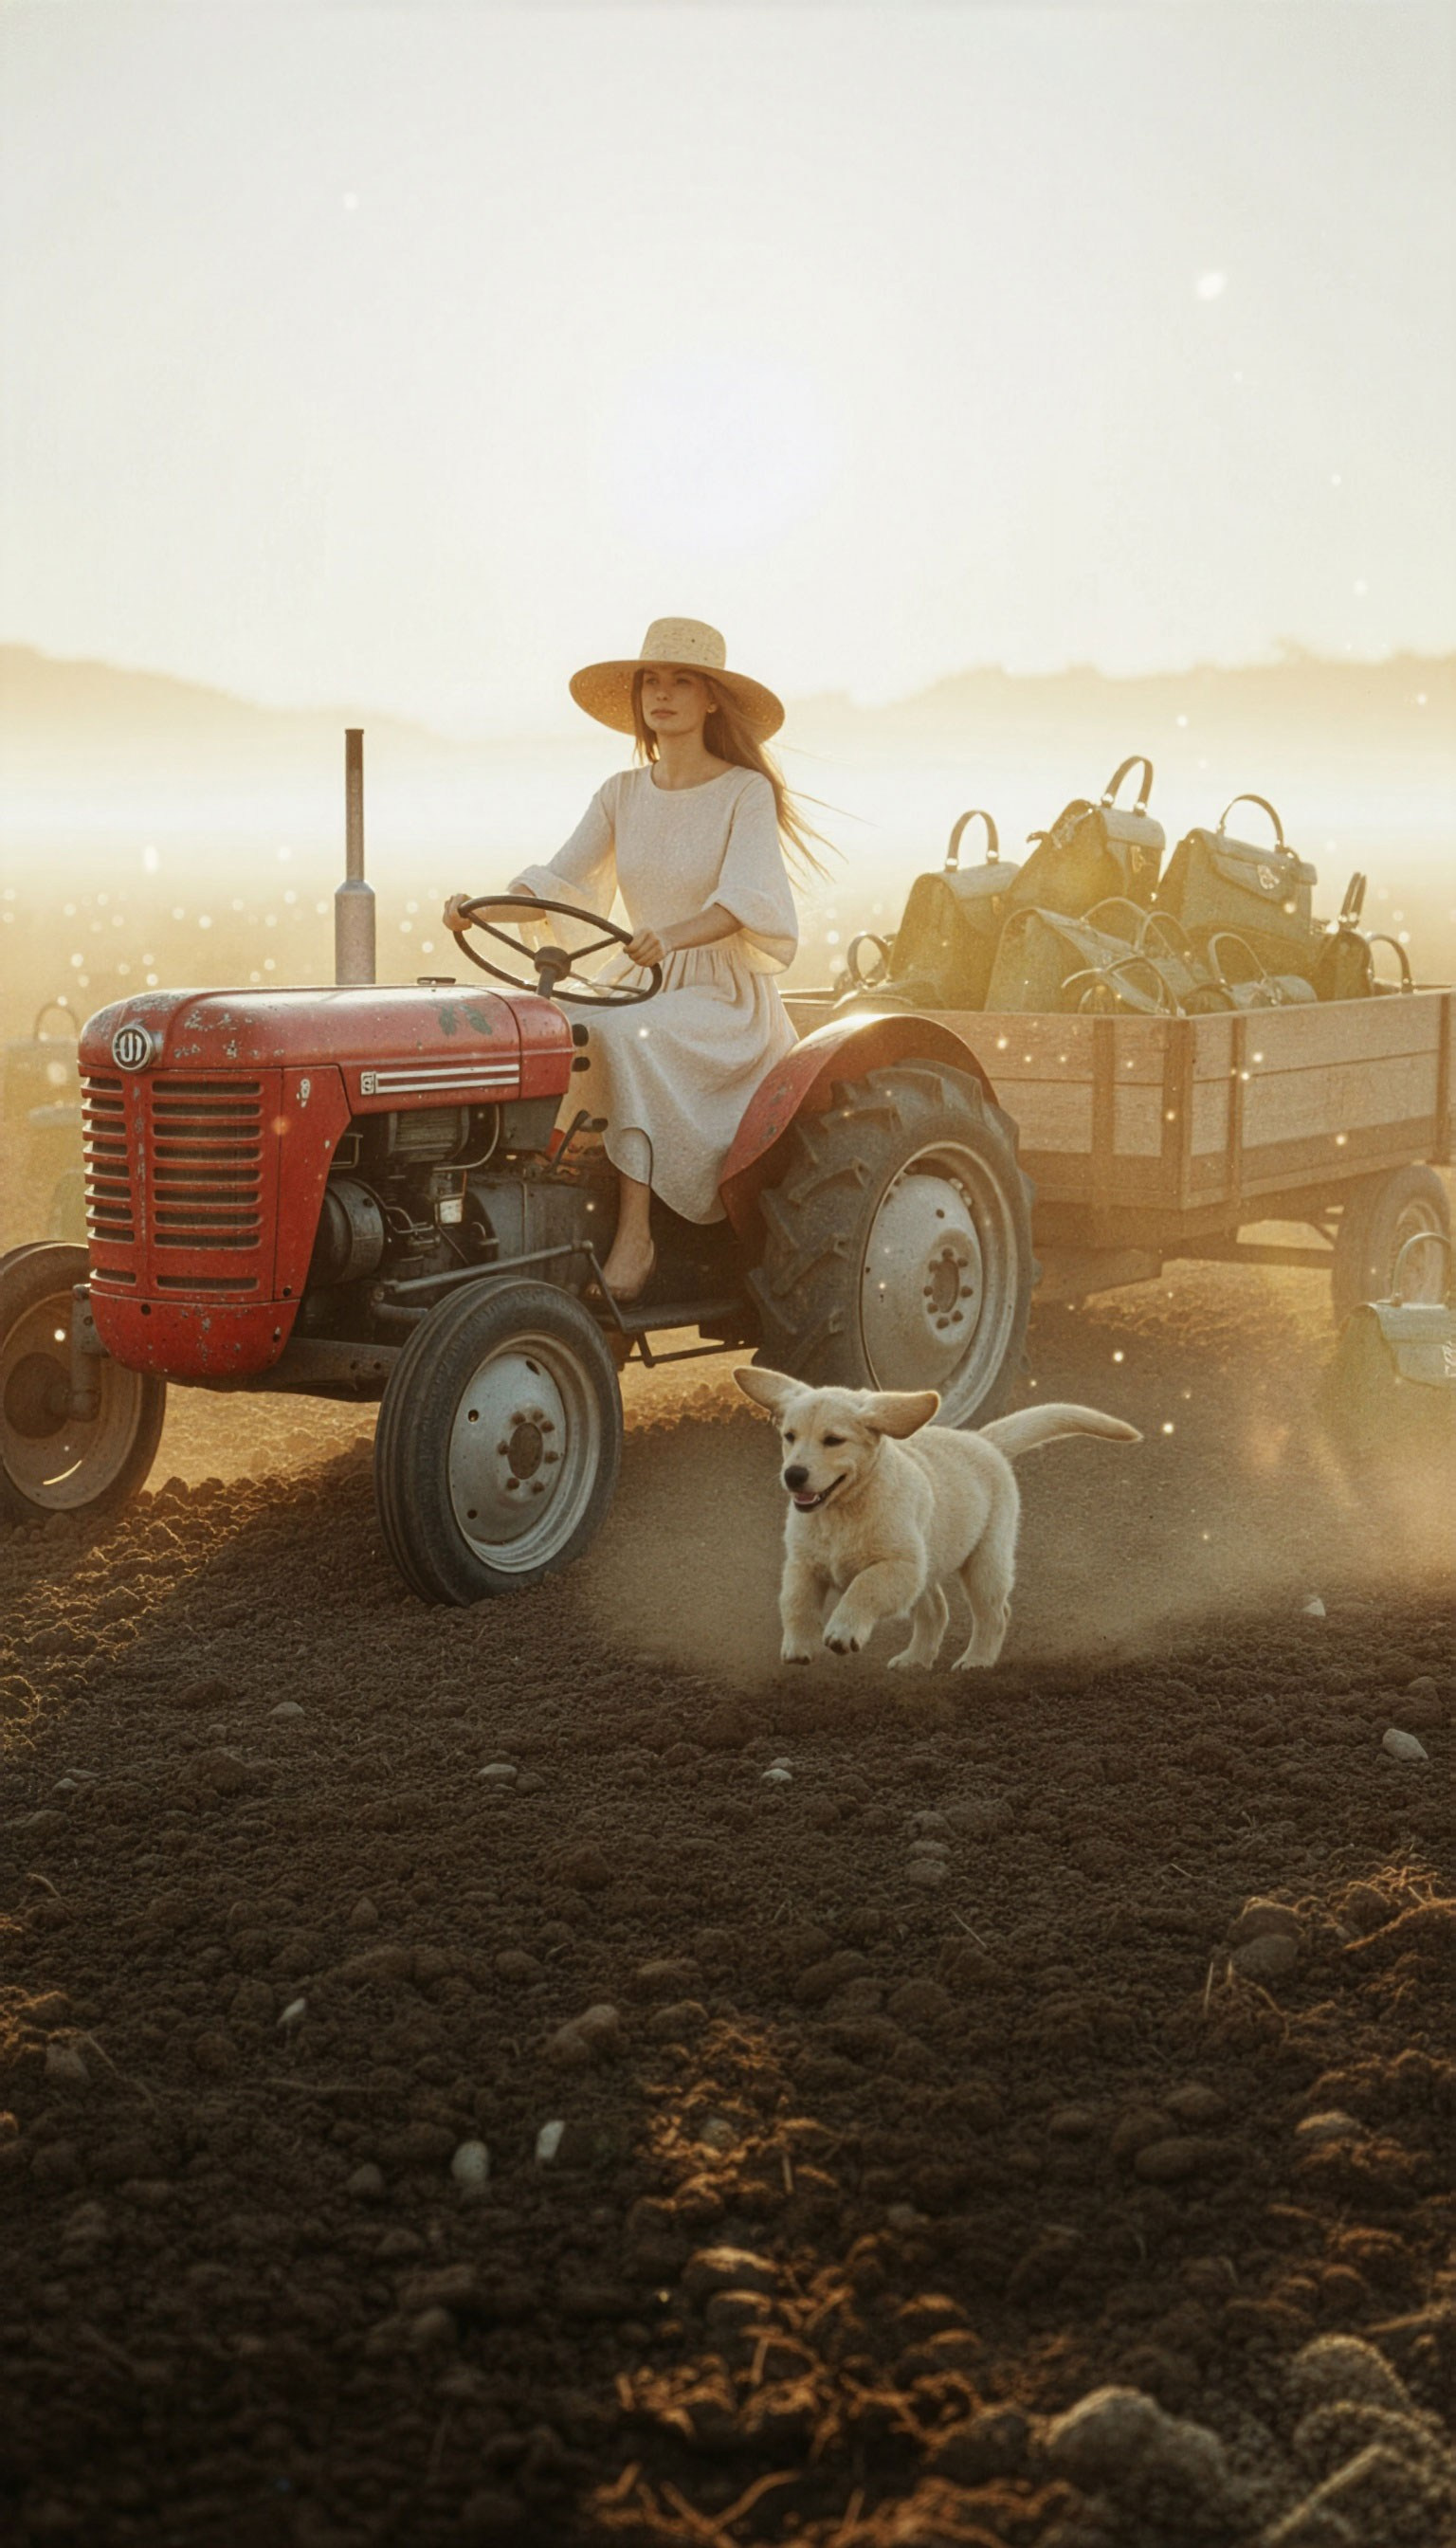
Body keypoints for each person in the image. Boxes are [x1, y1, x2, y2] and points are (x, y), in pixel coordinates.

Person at [444, 617, 829, 1301]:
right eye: (652, 680)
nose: (663, 693)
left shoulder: (745, 791)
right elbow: (555, 884)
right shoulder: (620, 793)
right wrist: (479, 907)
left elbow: (748, 898)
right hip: (640, 976)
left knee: (624, 1033)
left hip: (720, 994)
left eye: (683, 681)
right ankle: (528, 1207)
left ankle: (636, 1238)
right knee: (547, 1021)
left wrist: (676, 935)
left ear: (713, 698)